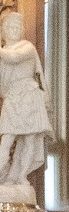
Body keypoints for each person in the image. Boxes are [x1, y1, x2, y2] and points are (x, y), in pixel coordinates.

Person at [0, 11, 53, 188]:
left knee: (30, 139)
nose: (14, 30)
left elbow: (14, 57)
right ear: (4, 31)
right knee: (7, 138)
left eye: (17, 27)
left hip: (29, 97)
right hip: (12, 98)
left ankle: (20, 176)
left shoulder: (27, 47)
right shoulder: (3, 53)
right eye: (10, 27)